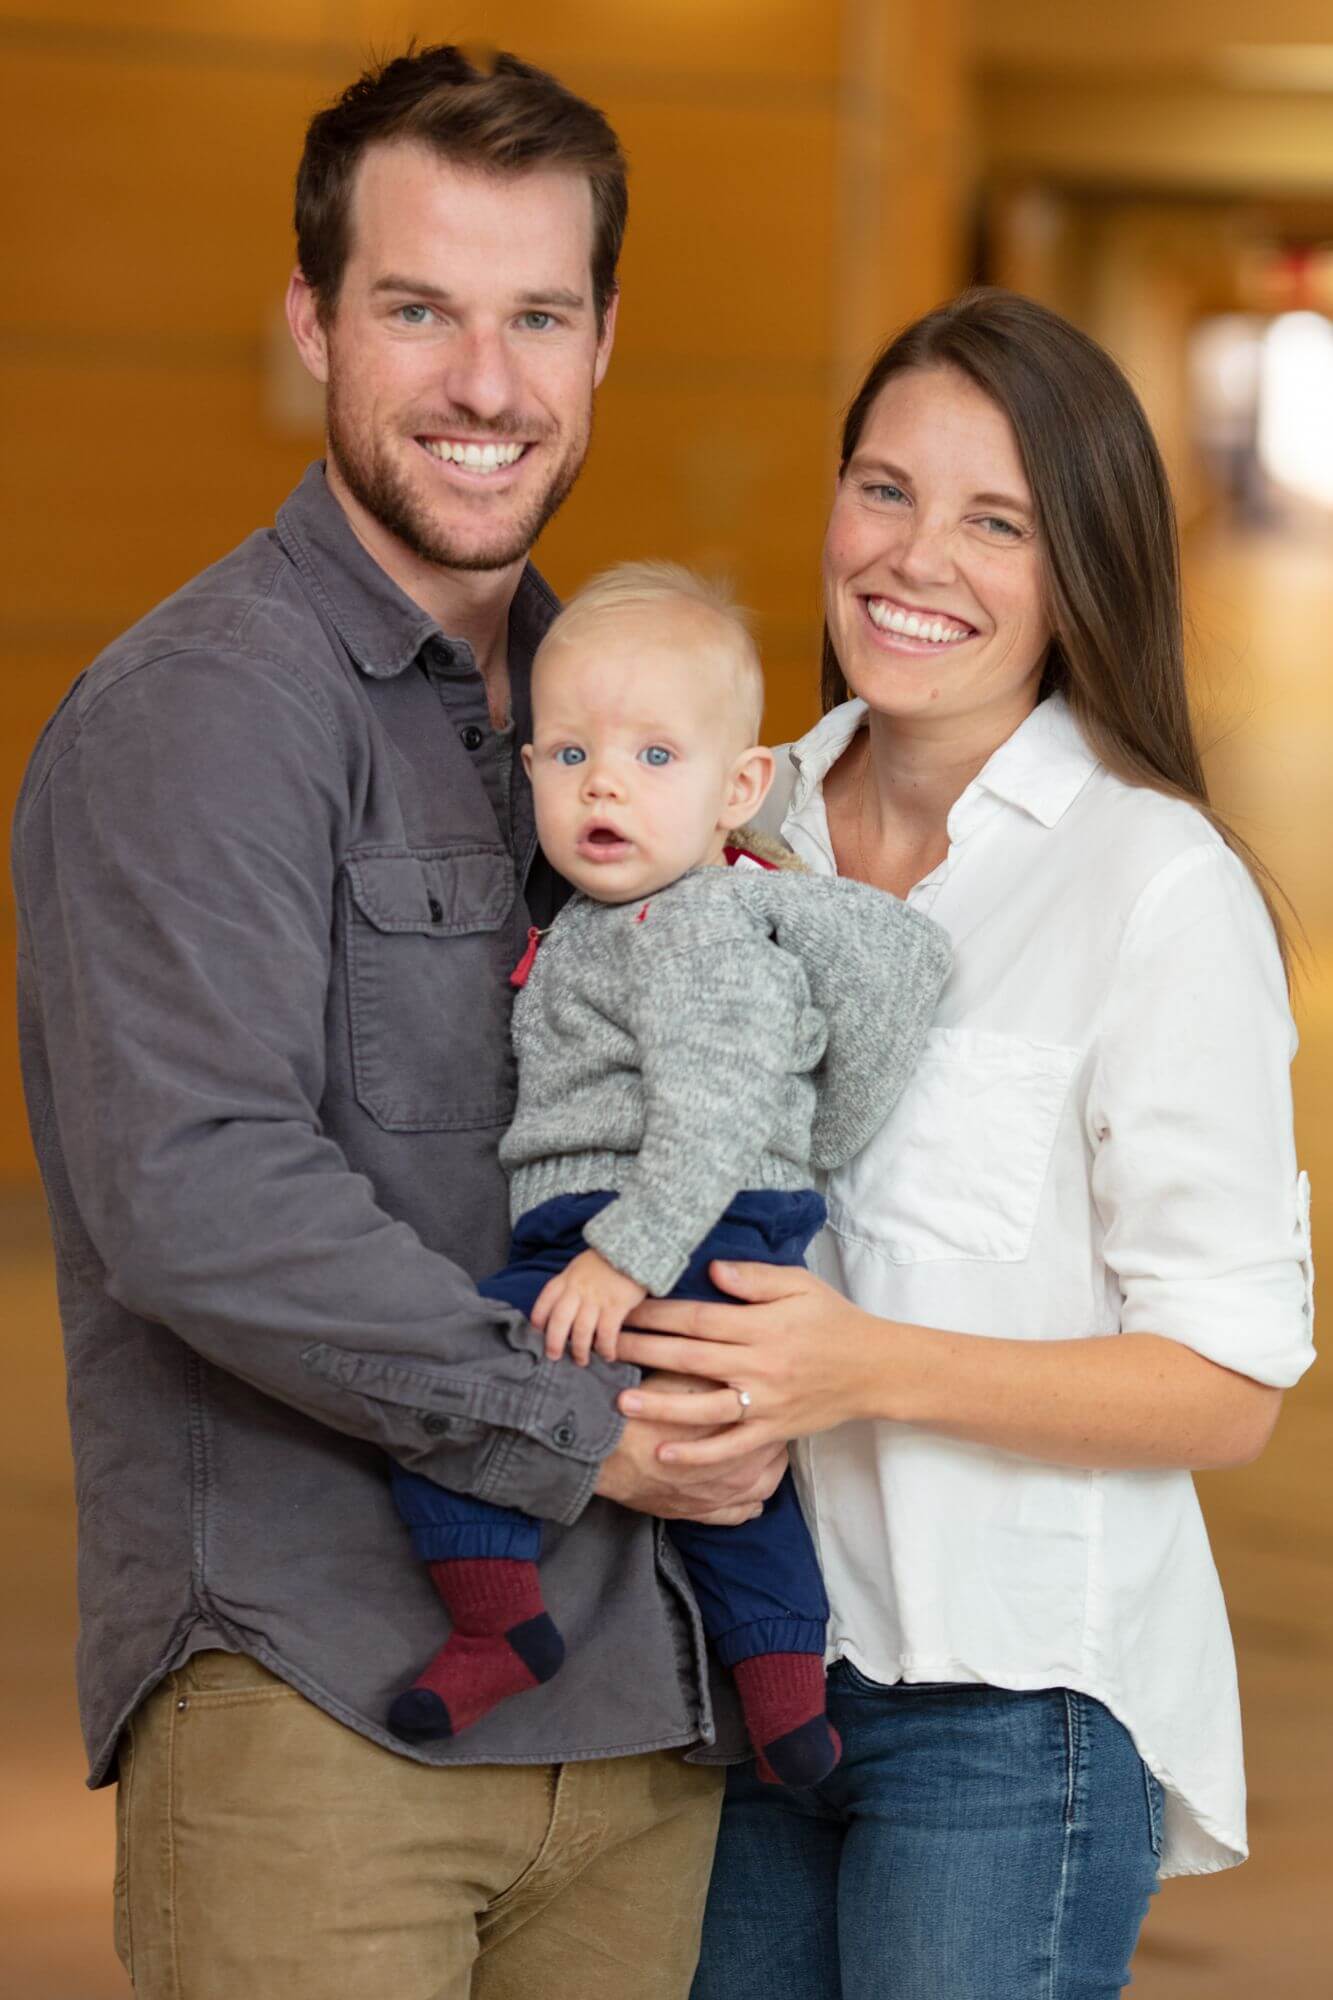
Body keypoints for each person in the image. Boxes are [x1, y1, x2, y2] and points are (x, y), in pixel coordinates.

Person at [13, 46, 784, 2000]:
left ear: (604, 339)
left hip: (642, 1728)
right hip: (320, 1720)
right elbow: (206, 1199)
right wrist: (590, 1427)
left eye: (536, 314)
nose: (485, 383)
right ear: (312, 322)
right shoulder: (198, 715)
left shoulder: (629, 712)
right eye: (418, 308)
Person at [611, 289, 1317, 2000]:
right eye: (883, 489)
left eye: (993, 520)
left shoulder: (1149, 886)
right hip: (734, 1678)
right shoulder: (726, 830)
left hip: (1009, 1720)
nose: (914, 557)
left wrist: (859, 1366)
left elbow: (1228, 1380)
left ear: (1075, 567)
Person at [384, 562, 950, 1786]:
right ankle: (788, 1696)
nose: (602, 783)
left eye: (653, 758)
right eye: (568, 751)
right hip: (684, 1217)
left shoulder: (686, 921)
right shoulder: (613, 915)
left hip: (648, 1222)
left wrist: (623, 1251)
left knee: (461, 1398)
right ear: (525, 766)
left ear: (737, 787)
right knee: (722, 1467)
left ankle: (496, 1619)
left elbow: (718, 1097)